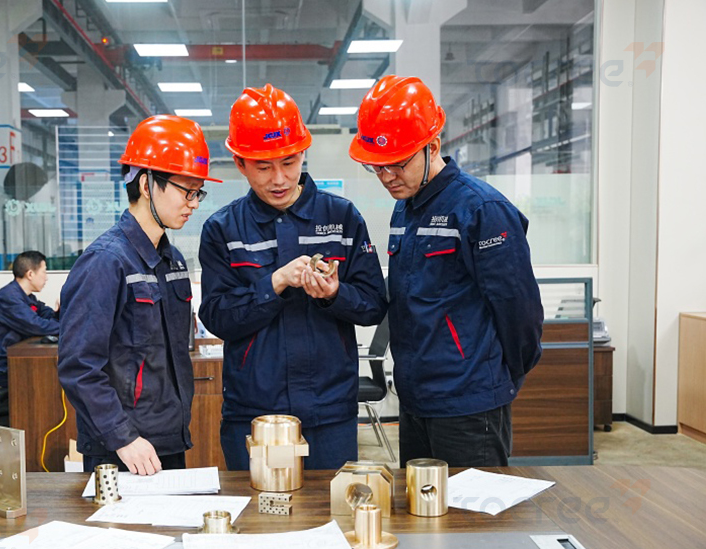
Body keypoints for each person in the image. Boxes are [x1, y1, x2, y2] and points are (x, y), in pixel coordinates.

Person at [349, 75, 544, 467]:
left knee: (473, 505)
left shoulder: (481, 210)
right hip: (415, 398)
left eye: (397, 164)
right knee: (420, 504)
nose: (387, 177)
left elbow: (519, 310)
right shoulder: (405, 208)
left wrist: (494, 381)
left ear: (433, 146)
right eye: (377, 167)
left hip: (469, 404)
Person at [199, 84, 387, 471]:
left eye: (289, 162)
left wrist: (335, 293)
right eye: (263, 167)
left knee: (329, 507)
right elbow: (217, 317)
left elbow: (373, 305)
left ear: (303, 153)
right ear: (239, 163)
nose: (279, 178)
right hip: (253, 413)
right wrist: (273, 284)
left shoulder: (342, 217)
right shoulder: (223, 229)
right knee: (258, 506)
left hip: (330, 412)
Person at [58, 115, 221, 475]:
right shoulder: (106, 262)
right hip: (121, 448)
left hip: (168, 438)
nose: (194, 203)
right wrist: (123, 437)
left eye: (198, 192)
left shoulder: (172, 260)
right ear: (147, 184)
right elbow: (79, 366)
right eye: (187, 190)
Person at [0, 250, 59, 388]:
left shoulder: (25, 297)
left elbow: (45, 313)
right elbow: (37, 326)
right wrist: (68, 326)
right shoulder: (9, 298)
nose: (46, 278)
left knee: (51, 376)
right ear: (30, 274)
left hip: (10, 363)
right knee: (47, 380)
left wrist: (62, 310)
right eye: (44, 272)